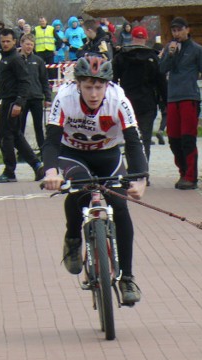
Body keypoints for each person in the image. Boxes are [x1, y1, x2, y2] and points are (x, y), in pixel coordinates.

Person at [41, 56, 148, 305]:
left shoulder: (118, 100)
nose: (93, 93)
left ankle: (127, 278)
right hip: (72, 154)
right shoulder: (64, 98)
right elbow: (51, 141)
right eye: (88, 87)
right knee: (79, 191)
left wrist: (140, 178)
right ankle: (73, 239)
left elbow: (134, 141)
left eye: (99, 87)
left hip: (107, 154)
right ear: (77, 84)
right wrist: (50, 172)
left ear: (107, 86)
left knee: (120, 207)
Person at [159, 17, 202, 190]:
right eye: (174, 30)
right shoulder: (170, 48)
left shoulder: (197, 50)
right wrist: (169, 55)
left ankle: (191, 176)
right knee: (173, 139)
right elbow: (161, 69)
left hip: (189, 97)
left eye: (179, 30)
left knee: (188, 138)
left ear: (187, 30)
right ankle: (183, 171)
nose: (176, 33)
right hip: (173, 97)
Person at [0, 28, 44, 183]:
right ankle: (37, 165)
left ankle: (9, 171)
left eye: (8, 41)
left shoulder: (15, 59)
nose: (5, 44)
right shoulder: (5, 58)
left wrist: (19, 103)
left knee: (5, 136)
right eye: (3, 41)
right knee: (15, 136)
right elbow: (6, 82)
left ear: (15, 41)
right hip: (7, 100)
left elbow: (24, 81)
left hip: (13, 102)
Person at [113, 25, 167, 163]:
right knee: (145, 139)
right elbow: (161, 82)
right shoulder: (153, 57)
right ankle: (143, 172)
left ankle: (132, 171)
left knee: (130, 137)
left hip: (127, 103)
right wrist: (165, 103)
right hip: (147, 103)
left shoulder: (122, 56)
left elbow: (112, 81)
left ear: (132, 38)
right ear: (146, 38)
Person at [19, 34, 52, 150]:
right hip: (21, 99)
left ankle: (43, 151)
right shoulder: (16, 59)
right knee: (20, 127)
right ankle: (21, 152)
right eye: (27, 44)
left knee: (38, 127)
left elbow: (44, 80)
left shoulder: (38, 61)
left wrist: (48, 97)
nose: (29, 47)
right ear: (21, 44)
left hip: (36, 97)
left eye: (31, 45)